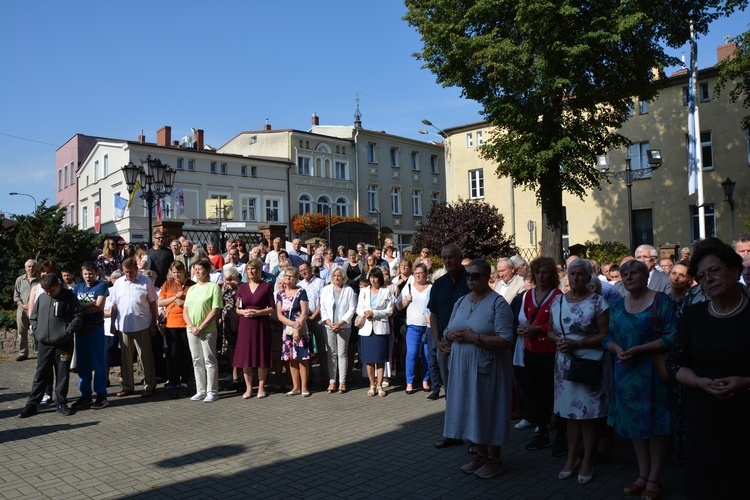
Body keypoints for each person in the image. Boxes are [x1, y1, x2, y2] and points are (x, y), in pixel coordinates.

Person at [668, 238, 750, 500]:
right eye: (702, 276)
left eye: (714, 270)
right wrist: (699, 382)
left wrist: (745, 382)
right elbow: (675, 363)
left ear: (735, 270)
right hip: (704, 419)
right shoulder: (694, 315)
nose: (708, 279)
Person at [605, 259, 677, 500]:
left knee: (656, 428)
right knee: (636, 427)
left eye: (634, 273)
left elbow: (672, 336)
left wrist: (640, 349)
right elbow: (609, 337)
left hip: (653, 374)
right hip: (626, 375)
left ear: (646, 276)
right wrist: (616, 349)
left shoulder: (661, 300)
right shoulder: (616, 303)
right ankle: (642, 475)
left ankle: (654, 478)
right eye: (624, 274)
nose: (628, 277)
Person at [442, 259, 514, 479]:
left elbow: (507, 339)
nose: (470, 279)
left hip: (487, 368)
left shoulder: (498, 303)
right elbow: (447, 328)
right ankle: (480, 455)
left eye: (475, 276)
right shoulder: (461, 301)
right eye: (468, 276)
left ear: (487, 277)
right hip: (462, 369)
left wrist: (476, 338)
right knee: (470, 408)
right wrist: (448, 336)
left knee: (488, 408)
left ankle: (495, 458)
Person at [547, 260, 610, 484]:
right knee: (570, 415)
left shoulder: (597, 302)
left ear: (588, 277)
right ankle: (571, 458)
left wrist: (577, 344)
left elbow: (605, 334)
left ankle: (587, 461)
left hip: (589, 363)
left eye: (580, 274)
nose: (575, 278)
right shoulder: (557, 301)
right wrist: (560, 341)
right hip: (565, 364)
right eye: (572, 274)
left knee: (588, 416)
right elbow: (550, 330)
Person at [518, 257, 565, 455]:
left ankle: (561, 438)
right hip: (531, 350)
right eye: (538, 272)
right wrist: (524, 328)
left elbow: (559, 324)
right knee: (536, 393)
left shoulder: (558, 295)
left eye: (545, 272)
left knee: (553, 394)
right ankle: (543, 432)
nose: (541, 276)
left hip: (550, 352)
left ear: (551, 275)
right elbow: (525, 317)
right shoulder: (528, 295)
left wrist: (538, 328)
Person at [18, 274, 83, 418]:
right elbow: (33, 317)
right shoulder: (42, 298)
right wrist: (36, 331)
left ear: (58, 286)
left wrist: (67, 332)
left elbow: (78, 317)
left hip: (63, 343)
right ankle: (32, 404)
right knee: (40, 374)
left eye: (51, 291)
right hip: (44, 343)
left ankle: (61, 402)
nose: (49, 294)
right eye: (46, 291)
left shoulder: (70, 297)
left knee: (62, 374)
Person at [109, 258, 160, 398]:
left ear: (136, 269)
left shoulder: (145, 281)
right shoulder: (119, 283)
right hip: (123, 325)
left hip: (142, 324)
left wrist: (153, 323)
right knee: (125, 358)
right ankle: (128, 386)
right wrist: (113, 323)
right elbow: (114, 305)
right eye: (126, 272)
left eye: (131, 272)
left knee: (145, 357)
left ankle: (149, 386)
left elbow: (152, 304)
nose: (129, 275)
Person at [182, 260, 223, 403]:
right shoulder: (192, 289)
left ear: (207, 270)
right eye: (195, 269)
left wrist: (201, 326)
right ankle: (200, 390)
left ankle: (212, 391)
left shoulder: (213, 287)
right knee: (196, 360)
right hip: (191, 330)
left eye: (200, 269)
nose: (197, 272)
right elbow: (185, 310)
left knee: (209, 360)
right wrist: (192, 326)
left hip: (208, 330)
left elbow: (215, 310)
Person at [234, 258, 275, 399]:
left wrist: (258, 312)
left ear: (259, 270)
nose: (251, 271)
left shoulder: (266, 286)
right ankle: (249, 388)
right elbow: (237, 308)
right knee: (246, 356)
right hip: (245, 325)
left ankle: (262, 388)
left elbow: (272, 308)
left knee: (261, 355)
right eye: (248, 269)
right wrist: (243, 312)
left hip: (261, 324)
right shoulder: (242, 287)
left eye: (253, 269)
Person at [71, 262, 110, 410]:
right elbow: (73, 306)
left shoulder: (101, 286)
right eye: (86, 273)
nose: (88, 276)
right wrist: (88, 304)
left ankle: (101, 395)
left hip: (95, 329)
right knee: (82, 364)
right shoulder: (77, 287)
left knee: (98, 362)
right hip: (80, 330)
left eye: (91, 273)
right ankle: (85, 395)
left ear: (96, 273)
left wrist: (80, 307)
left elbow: (98, 307)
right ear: (82, 274)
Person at [158, 261, 194, 398]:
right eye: (173, 272)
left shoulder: (192, 285)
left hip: (185, 323)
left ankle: (185, 380)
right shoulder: (168, 283)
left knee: (185, 352)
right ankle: (173, 380)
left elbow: (196, 303)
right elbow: (160, 302)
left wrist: (184, 302)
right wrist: (174, 298)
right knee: (172, 354)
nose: (176, 274)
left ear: (184, 271)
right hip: (171, 323)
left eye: (178, 272)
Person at [356, 267, 394, 397]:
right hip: (367, 329)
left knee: (380, 359)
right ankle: (372, 385)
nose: (373, 280)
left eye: (375, 277)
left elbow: (389, 311)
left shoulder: (386, 291)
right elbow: (359, 308)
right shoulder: (364, 291)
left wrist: (375, 313)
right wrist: (366, 313)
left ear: (380, 278)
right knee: (369, 359)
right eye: (371, 277)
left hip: (381, 328)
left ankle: (380, 385)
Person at [396, 263, 432, 394]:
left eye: (420, 273)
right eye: (416, 273)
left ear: (426, 274)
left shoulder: (431, 288)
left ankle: (425, 380)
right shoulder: (409, 287)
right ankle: (409, 382)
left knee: (427, 356)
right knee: (412, 354)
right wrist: (405, 301)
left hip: (428, 327)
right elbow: (398, 305)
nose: (418, 275)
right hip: (413, 326)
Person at [320, 267, 356, 393]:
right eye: (334, 275)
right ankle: (332, 381)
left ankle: (342, 381)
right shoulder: (326, 290)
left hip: (343, 326)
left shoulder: (349, 290)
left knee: (342, 353)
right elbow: (323, 307)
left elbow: (352, 309)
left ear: (343, 277)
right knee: (331, 354)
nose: (337, 277)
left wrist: (341, 323)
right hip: (329, 326)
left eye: (339, 275)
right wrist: (329, 323)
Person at [277, 266, 311, 397]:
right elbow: (280, 315)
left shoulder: (301, 292)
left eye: (291, 276)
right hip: (287, 330)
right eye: (286, 276)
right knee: (291, 359)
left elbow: (304, 312)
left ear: (296, 278)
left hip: (300, 329)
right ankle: (295, 386)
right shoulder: (280, 294)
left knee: (302, 358)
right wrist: (292, 324)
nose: (288, 278)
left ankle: (304, 386)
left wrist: (297, 327)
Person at [298, 261, 327, 386]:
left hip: (318, 317)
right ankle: (308, 376)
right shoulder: (300, 285)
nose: (304, 272)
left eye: (306, 269)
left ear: (310, 269)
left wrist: (314, 315)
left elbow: (323, 301)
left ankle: (326, 376)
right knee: (307, 348)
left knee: (322, 348)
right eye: (301, 270)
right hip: (304, 319)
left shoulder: (320, 282)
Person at [13, 259, 39, 362]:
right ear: (25, 268)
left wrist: (32, 306)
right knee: (21, 331)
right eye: (29, 266)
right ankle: (23, 353)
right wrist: (23, 305)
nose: (31, 268)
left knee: (36, 331)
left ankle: (39, 352)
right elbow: (16, 295)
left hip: (36, 310)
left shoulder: (40, 280)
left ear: (36, 268)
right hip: (22, 309)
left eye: (33, 266)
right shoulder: (19, 280)